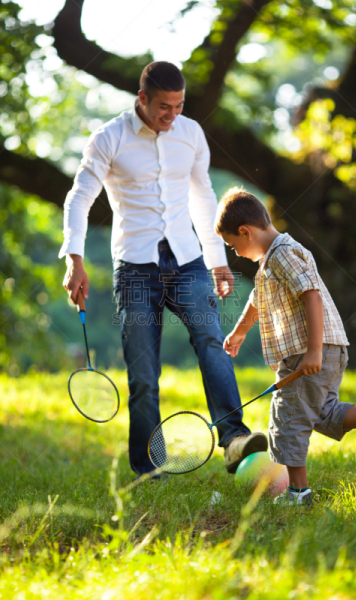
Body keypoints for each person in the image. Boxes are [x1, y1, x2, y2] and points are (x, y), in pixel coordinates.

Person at [60, 62, 267, 477]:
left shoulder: (190, 134)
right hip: (135, 268)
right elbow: (79, 197)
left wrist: (217, 260)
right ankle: (148, 468)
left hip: (188, 261)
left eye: (179, 106)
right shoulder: (110, 138)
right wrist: (74, 259)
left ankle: (234, 439)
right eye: (163, 107)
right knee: (144, 374)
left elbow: (203, 197)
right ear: (142, 99)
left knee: (211, 339)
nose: (172, 115)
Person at [214, 186, 356, 506]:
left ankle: (298, 494)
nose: (235, 253)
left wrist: (313, 350)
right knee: (321, 412)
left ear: (245, 231)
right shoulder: (270, 260)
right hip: (325, 349)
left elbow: (311, 295)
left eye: (232, 245)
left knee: (287, 418)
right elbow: (258, 300)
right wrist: (240, 332)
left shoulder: (283, 254)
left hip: (311, 350)